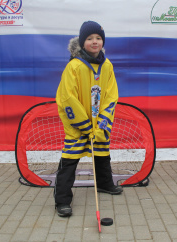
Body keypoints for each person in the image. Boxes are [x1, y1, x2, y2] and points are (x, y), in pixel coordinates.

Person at [54, 21, 123, 217]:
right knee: (70, 160)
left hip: (99, 123)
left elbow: (111, 95)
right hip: (78, 125)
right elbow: (67, 97)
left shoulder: (107, 65)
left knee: (102, 151)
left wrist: (102, 122)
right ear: (82, 42)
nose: (95, 42)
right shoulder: (74, 66)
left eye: (98, 38)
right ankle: (62, 200)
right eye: (90, 38)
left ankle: (104, 183)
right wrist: (85, 125)